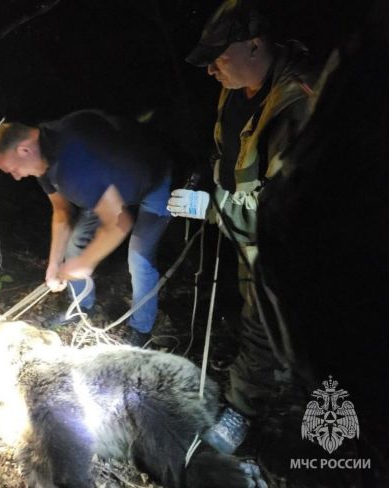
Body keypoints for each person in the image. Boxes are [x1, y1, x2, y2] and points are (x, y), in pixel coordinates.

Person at [167, 0, 315, 455]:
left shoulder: (300, 104)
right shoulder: (237, 86)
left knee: (262, 322)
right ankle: (280, 371)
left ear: (255, 44)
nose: (211, 70)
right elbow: (229, 149)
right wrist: (207, 177)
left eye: (218, 56)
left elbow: (287, 217)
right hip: (242, 230)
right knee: (263, 319)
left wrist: (210, 208)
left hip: (280, 245)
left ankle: (243, 411)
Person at [0, 110, 172, 346]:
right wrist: (54, 265)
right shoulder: (42, 156)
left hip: (151, 181)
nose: (17, 177)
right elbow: (62, 212)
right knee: (74, 246)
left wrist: (85, 262)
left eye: (13, 169)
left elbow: (119, 222)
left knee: (139, 259)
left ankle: (141, 330)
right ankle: (81, 307)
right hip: (107, 190)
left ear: (24, 149)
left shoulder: (73, 163)